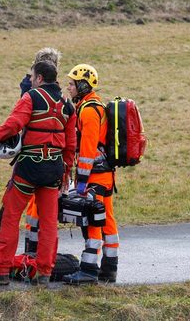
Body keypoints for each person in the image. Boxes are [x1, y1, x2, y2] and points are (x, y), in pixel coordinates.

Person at [0, 61, 76, 286]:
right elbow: (71, 144)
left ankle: (0, 271)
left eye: (32, 76)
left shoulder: (31, 97)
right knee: (49, 223)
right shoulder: (66, 105)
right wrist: (66, 171)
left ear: (40, 78)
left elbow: (13, 124)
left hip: (28, 168)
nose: (30, 80)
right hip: (54, 169)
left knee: (11, 217)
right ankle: (44, 273)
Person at [63, 64, 119, 285]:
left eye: (72, 83)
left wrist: (81, 182)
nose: (69, 87)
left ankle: (88, 270)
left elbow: (87, 151)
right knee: (107, 221)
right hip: (104, 176)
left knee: (93, 221)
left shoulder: (88, 111)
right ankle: (109, 269)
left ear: (83, 85)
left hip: (95, 177)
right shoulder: (91, 106)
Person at [17, 48, 64, 255]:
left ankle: (30, 252)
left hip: (28, 155)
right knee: (46, 214)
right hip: (50, 156)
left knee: (19, 210)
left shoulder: (28, 87)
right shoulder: (52, 92)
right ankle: (42, 261)